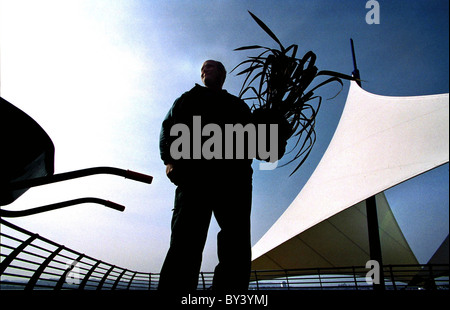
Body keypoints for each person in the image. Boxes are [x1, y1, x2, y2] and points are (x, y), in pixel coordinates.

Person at [158, 60, 287, 290]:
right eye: (202, 68)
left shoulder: (238, 106)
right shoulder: (187, 99)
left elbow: (260, 148)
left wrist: (276, 134)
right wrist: (168, 160)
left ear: (222, 74)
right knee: (185, 242)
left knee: (236, 245)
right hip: (194, 177)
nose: (205, 70)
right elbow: (168, 127)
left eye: (210, 66)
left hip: (233, 181)